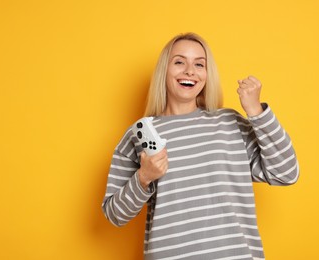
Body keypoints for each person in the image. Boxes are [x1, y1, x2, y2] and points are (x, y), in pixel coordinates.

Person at [101, 32, 299, 260]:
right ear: (163, 70)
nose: (190, 71)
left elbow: (286, 173)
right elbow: (115, 214)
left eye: (199, 64)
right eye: (179, 62)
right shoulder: (140, 134)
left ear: (207, 74)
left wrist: (256, 111)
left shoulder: (229, 123)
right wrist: (143, 178)